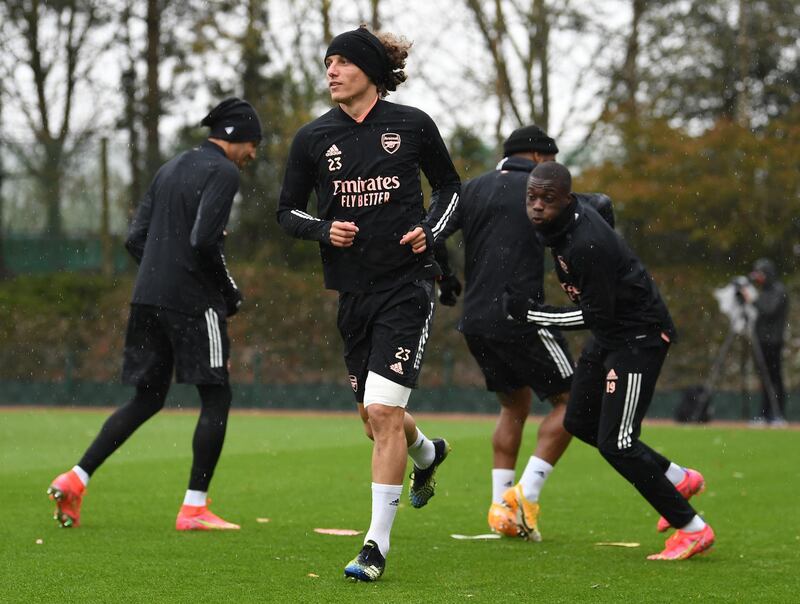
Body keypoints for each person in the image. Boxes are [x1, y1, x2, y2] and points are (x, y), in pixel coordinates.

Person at [276, 26, 461, 581]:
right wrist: (323, 229)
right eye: (327, 63)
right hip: (352, 295)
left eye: (341, 63)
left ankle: (374, 548)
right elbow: (287, 212)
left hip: (407, 288)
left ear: (371, 72)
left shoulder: (413, 125)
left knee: (383, 413)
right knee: (373, 418)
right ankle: (428, 454)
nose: (330, 71)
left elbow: (452, 189)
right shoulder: (313, 138)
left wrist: (431, 232)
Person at [47, 98, 262, 532]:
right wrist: (228, 291)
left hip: (147, 298)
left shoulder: (171, 167)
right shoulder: (223, 171)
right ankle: (194, 508)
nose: (253, 154)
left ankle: (76, 478)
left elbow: (134, 238)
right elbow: (205, 241)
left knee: (147, 398)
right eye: (253, 144)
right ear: (237, 136)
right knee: (216, 396)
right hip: (193, 302)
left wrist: (164, 270)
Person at [503, 161, 715, 560]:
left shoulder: (586, 244)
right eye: (531, 197)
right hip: (610, 336)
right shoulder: (569, 216)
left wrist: (530, 313)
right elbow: (603, 201)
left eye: (547, 200)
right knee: (579, 421)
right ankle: (679, 478)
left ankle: (692, 528)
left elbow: (593, 315)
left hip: (639, 337)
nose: (536, 207)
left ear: (566, 200)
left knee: (618, 443)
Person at [434, 126, 575, 541]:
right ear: (537, 156)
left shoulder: (473, 189)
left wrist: (446, 279)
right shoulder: (541, 191)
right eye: (550, 161)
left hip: (476, 319)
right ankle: (524, 495)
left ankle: (501, 509)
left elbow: (431, 232)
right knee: (576, 400)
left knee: (514, 405)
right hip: (522, 315)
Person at [748, 258, 789, 425]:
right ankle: (765, 414)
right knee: (765, 379)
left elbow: (769, 310)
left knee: (774, 378)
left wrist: (753, 299)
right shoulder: (765, 291)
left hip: (773, 342)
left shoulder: (778, 290)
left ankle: (777, 414)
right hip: (762, 341)